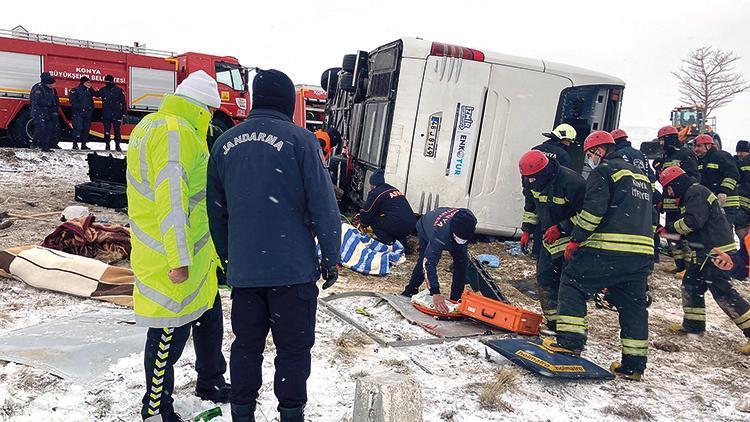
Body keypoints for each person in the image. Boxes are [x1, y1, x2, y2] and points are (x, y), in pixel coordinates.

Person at [207, 69, 341, 422]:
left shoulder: (224, 144)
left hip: (246, 271)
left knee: (246, 346)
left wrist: (227, 258)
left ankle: (242, 412)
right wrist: (331, 257)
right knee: (293, 349)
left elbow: (215, 211)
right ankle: (291, 413)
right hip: (292, 271)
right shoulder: (302, 141)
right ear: (286, 101)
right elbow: (324, 206)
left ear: (254, 97)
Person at [126, 70, 230, 422]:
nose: (212, 118)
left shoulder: (158, 125)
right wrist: (178, 258)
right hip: (172, 255)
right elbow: (171, 199)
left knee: (209, 317)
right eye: (212, 112)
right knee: (169, 332)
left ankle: (211, 381)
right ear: (203, 108)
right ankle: (155, 409)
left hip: (198, 253)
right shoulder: (176, 133)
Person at [552, 131, 653, 380]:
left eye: (589, 154)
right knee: (633, 306)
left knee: (572, 282)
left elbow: (593, 212)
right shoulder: (641, 177)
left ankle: (570, 343)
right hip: (640, 254)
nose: (589, 159)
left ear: (600, 150)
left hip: (608, 248)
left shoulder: (604, 172)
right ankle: (633, 365)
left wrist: (575, 239)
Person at [658, 166, 750, 355]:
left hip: (715, 252)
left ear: (676, 183)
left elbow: (692, 223)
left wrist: (668, 228)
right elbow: (691, 229)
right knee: (691, 285)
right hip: (705, 252)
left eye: (668, 188)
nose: (668, 193)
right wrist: (667, 232)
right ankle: (693, 325)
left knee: (724, 293)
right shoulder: (692, 193)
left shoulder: (695, 192)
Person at [518, 150, 585, 332]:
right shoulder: (529, 180)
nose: (530, 182)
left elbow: (587, 215)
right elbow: (531, 206)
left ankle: (571, 330)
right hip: (548, 239)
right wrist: (527, 229)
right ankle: (554, 323)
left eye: (533, 178)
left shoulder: (572, 183)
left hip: (573, 240)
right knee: (545, 279)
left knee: (568, 286)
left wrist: (562, 227)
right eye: (527, 179)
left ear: (544, 172)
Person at [401, 207, 477, 313]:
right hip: (426, 226)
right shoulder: (439, 235)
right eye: (458, 238)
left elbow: (462, 260)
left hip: (451, 229)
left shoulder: (468, 219)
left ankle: (455, 300)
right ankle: (410, 290)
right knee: (424, 259)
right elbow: (428, 264)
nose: (461, 241)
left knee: (462, 262)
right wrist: (435, 292)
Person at [655, 125, 700, 273]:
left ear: (669, 138)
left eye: (662, 140)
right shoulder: (667, 156)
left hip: (681, 204)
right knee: (670, 235)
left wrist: (686, 197)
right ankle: (679, 264)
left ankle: (689, 268)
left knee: (684, 235)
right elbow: (665, 181)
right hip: (669, 204)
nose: (661, 144)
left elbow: (694, 177)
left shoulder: (686, 154)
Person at [358, 169, 416, 250]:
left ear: (373, 184)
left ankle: (389, 243)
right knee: (391, 221)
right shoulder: (392, 189)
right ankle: (404, 245)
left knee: (374, 221)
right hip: (411, 223)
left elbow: (367, 212)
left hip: (397, 223)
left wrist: (363, 223)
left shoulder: (376, 193)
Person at [692, 134, 740, 227]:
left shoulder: (721, 156)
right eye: (695, 146)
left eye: (699, 146)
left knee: (724, 231)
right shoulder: (700, 161)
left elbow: (733, 175)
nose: (696, 149)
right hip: (711, 203)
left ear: (708, 146)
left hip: (727, 202)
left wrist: (724, 192)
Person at [29, 71, 59, 151]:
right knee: (40, 129)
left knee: (48, 130)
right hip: (39, 112)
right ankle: (35, 143)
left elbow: (56, 100)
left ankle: (45, 147)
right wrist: (49, 104)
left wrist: (55, 108)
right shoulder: (38, 88)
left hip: (48, 113)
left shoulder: (52, 89)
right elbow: (37, 101)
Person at [98, 74, 127, 151]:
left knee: (117, 131)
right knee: (107, 130)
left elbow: (123, 103)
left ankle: (117, 145)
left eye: (107, 81)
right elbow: (96, 94)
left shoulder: (119, 90)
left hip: (116, 114)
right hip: (107, 114)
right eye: (105, 81)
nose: (106, 82)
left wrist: (124, 114)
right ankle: (107, 145)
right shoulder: (103, 90)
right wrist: (88, 87)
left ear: (111, 81)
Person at [69, 76, 95, 150]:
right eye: (88, 82)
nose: (89, 84)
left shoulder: (89, 91)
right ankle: (75, 143)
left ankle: (84, 144)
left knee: (86, 129)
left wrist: (91, 109)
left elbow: (93, 99)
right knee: (78, 128)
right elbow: (72, 101)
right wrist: (81, 108)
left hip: (87, 114)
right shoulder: (75, 90)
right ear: (83, 82)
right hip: (78, 113)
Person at [735, 140, 750, 235]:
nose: (739, 154)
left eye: (742, 152)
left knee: (741, 228)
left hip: (743, 206)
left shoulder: (739, 164)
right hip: (744, 204)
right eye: (738, 152)